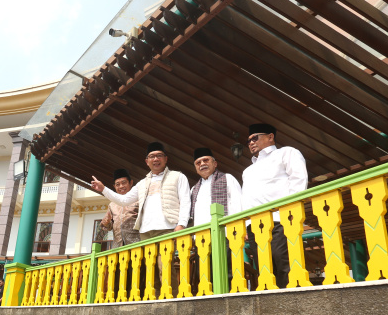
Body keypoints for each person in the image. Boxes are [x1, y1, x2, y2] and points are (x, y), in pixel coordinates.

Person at [241, 123, 308, 288]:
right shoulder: (247, 171)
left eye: (255, 137)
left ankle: (292, 302)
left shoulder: (286, 153)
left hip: (280, 219)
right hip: (255, 225)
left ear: (270, 136)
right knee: (264, 267)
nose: (251, 143)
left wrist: (289, 210)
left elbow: (298, 180)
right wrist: (245, 224)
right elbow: (246, 199)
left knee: (283, 261)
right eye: (248, 140)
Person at [91, 142, 190, 241]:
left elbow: (185, 201)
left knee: (164, 257)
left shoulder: (178, 177)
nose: (156, 159)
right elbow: (124, 200)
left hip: (168, 228)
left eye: (159, 155)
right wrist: (103, 189)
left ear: (166, 159)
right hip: (145, 233)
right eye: (152, 156)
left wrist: (181, 224)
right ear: (147, 161)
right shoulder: (142, 183)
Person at [188, 148, 243, 292]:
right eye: (198, 162)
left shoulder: (227, 178)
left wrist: (238, 229)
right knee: (205, 274)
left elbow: (238, 204)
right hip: (202, 239)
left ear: (215, 163)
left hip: (225, 234)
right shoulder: (194, 189)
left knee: (228, 271)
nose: (202, 164)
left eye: (206, 160)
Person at [99, 169, 141, 249]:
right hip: (118, 247)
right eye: (118, 184)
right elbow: (107, 226)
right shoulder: (112, 204)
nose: (121, 186)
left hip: (136, 244)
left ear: (131, 183)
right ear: (114, 187)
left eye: (124, 183)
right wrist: (106, 223)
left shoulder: (138, 200)